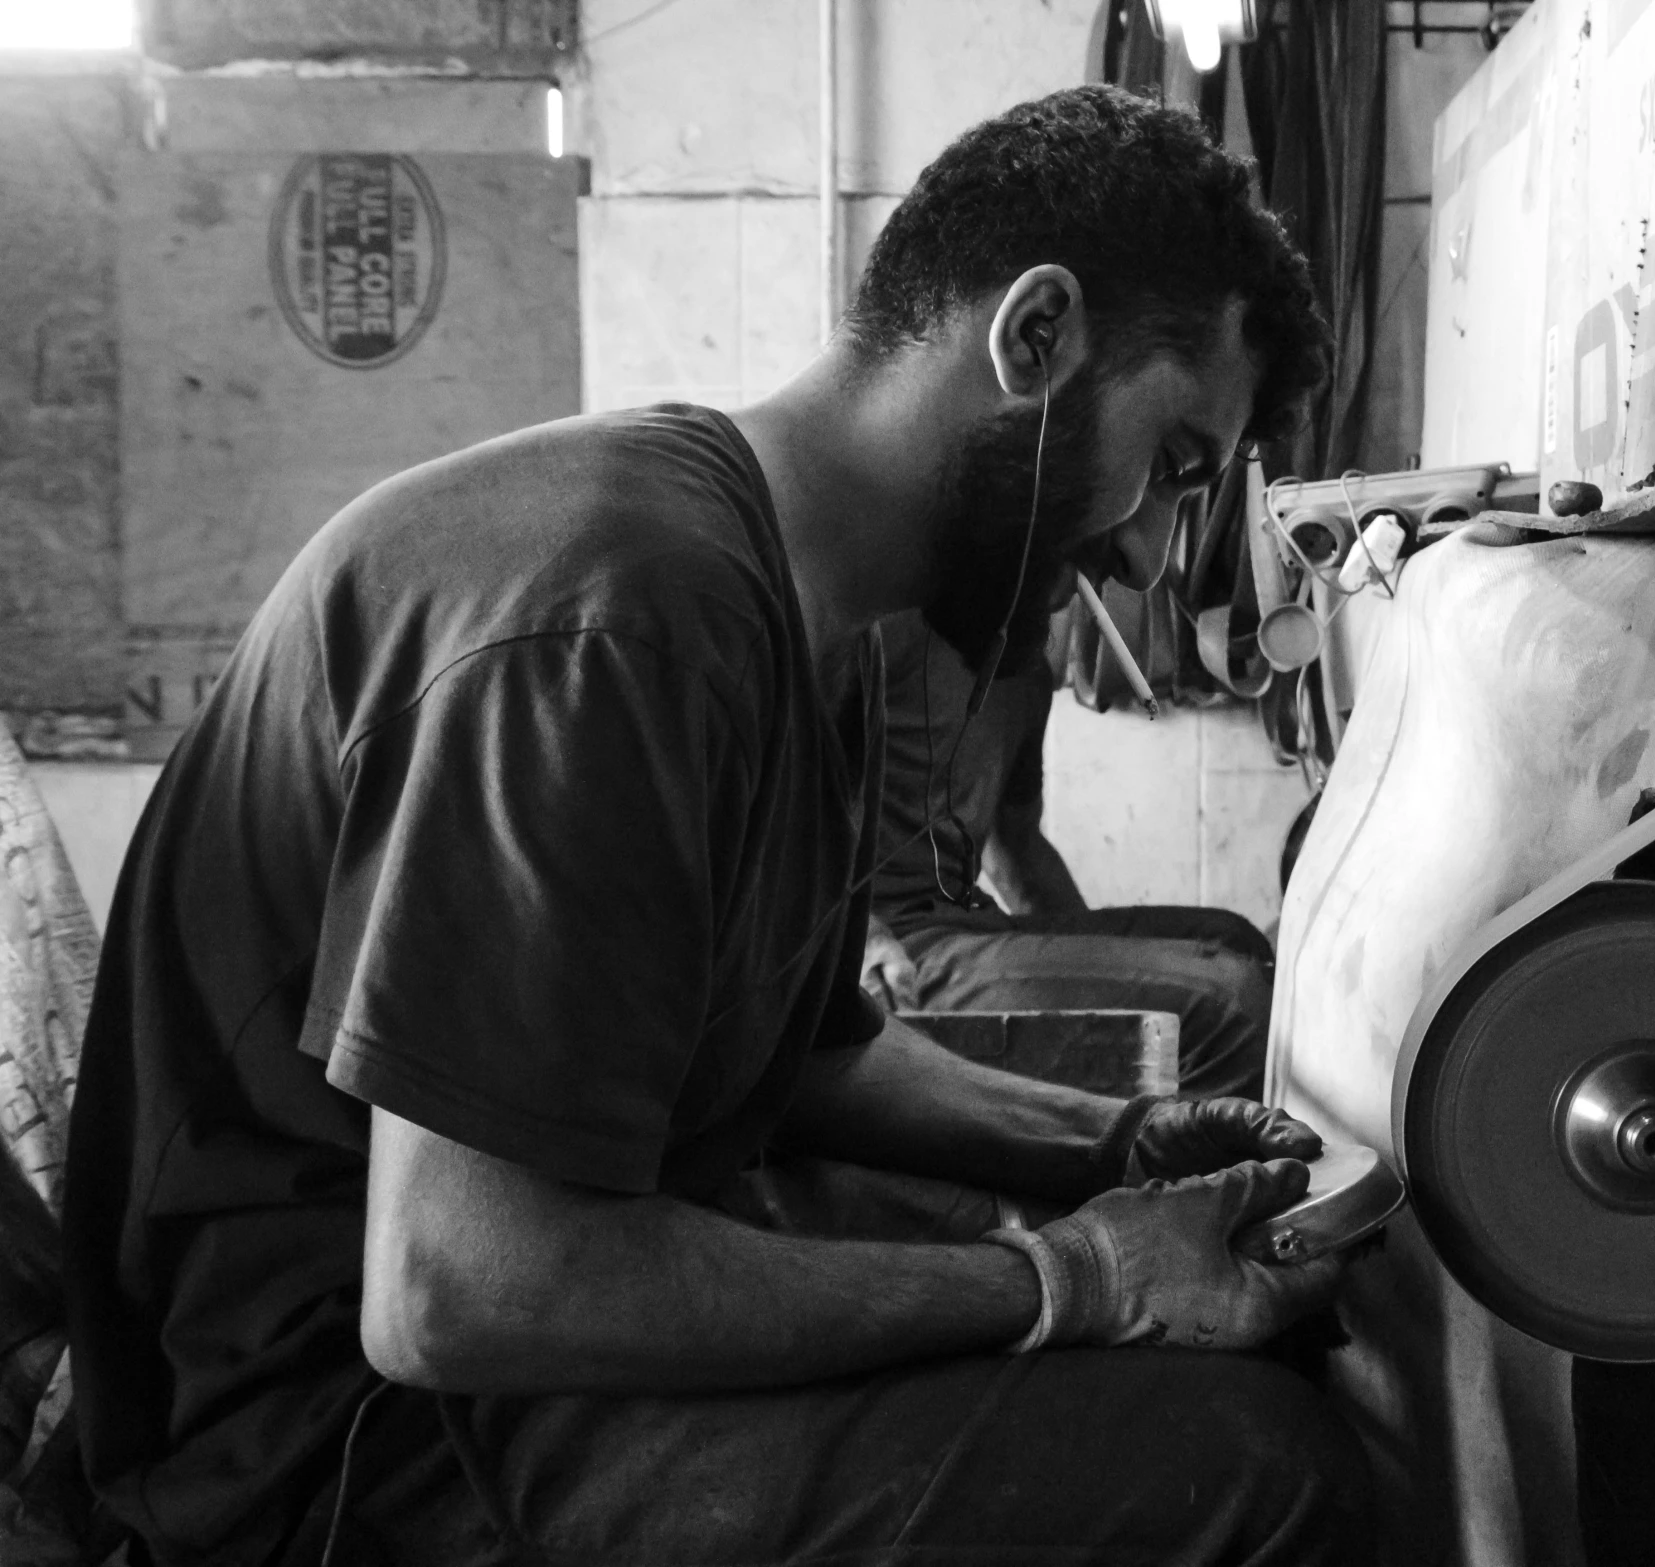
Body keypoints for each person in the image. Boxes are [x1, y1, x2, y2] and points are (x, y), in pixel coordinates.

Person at [61, 86, 1373, 1566]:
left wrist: (1115, 1145)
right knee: (1256, 1466)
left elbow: (817, 1054)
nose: (1146, 550)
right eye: (1173, 463)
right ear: (1035, 336)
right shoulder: (619, 616)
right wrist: (1067, 1280)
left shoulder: (808, 610)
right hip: (331, 1446)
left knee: (1222, 1351)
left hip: (509, 1333)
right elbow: (460, 1282)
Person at [861, 608, 1277, 1100]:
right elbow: (774, 811)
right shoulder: (891, 626)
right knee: (1230, 1003)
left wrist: (1105, 975)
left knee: (1238, 944)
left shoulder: (1025, 667)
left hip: (964, 923)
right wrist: (863, 940)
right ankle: (1169, 1171)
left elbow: (1017, 849)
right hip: (894, 950)